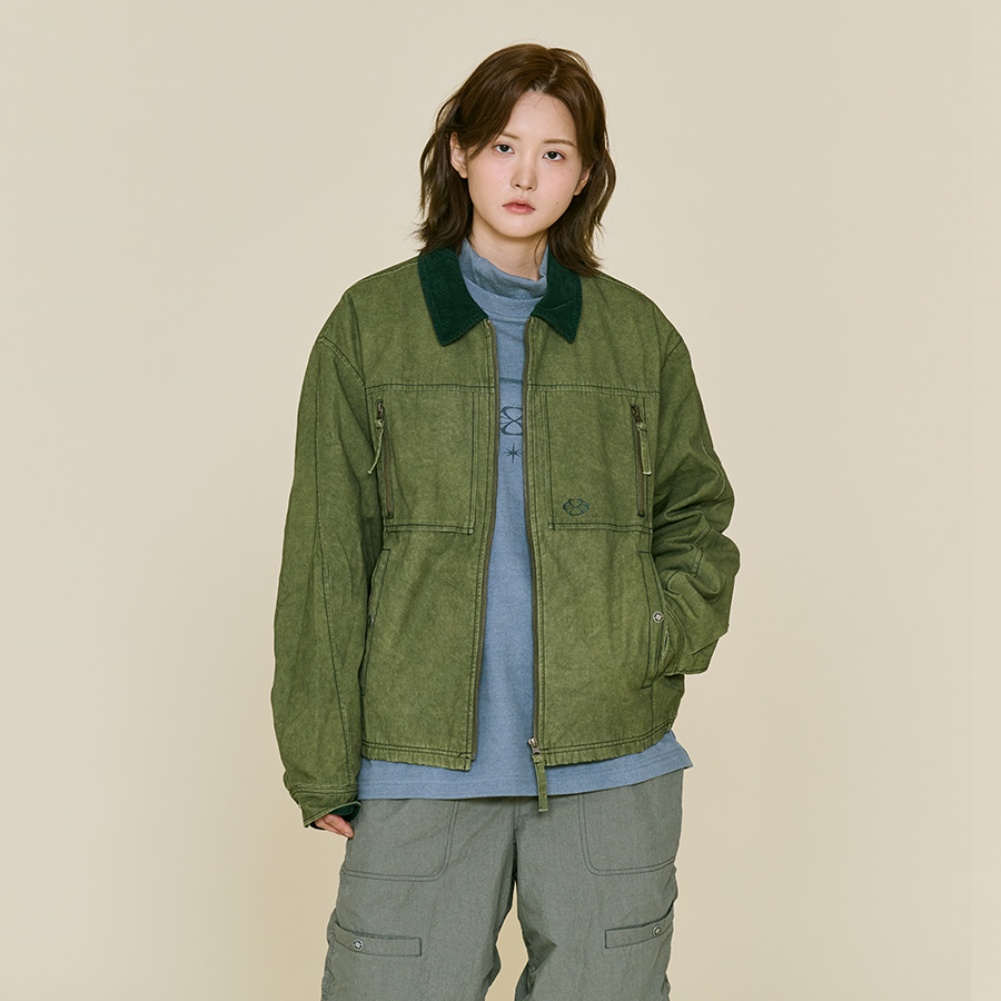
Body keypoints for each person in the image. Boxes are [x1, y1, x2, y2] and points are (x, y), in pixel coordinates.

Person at [272, 43, 739, 1001]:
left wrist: (653, 637)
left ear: (585, 173)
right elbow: (326, 549)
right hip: (418, 764)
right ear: (458, 154)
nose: (525, 176)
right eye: (501, 146)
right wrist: (321, 759)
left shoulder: (635, 333)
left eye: (554, 153)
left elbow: (697, 515)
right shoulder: (371, 325)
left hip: (611, 762)